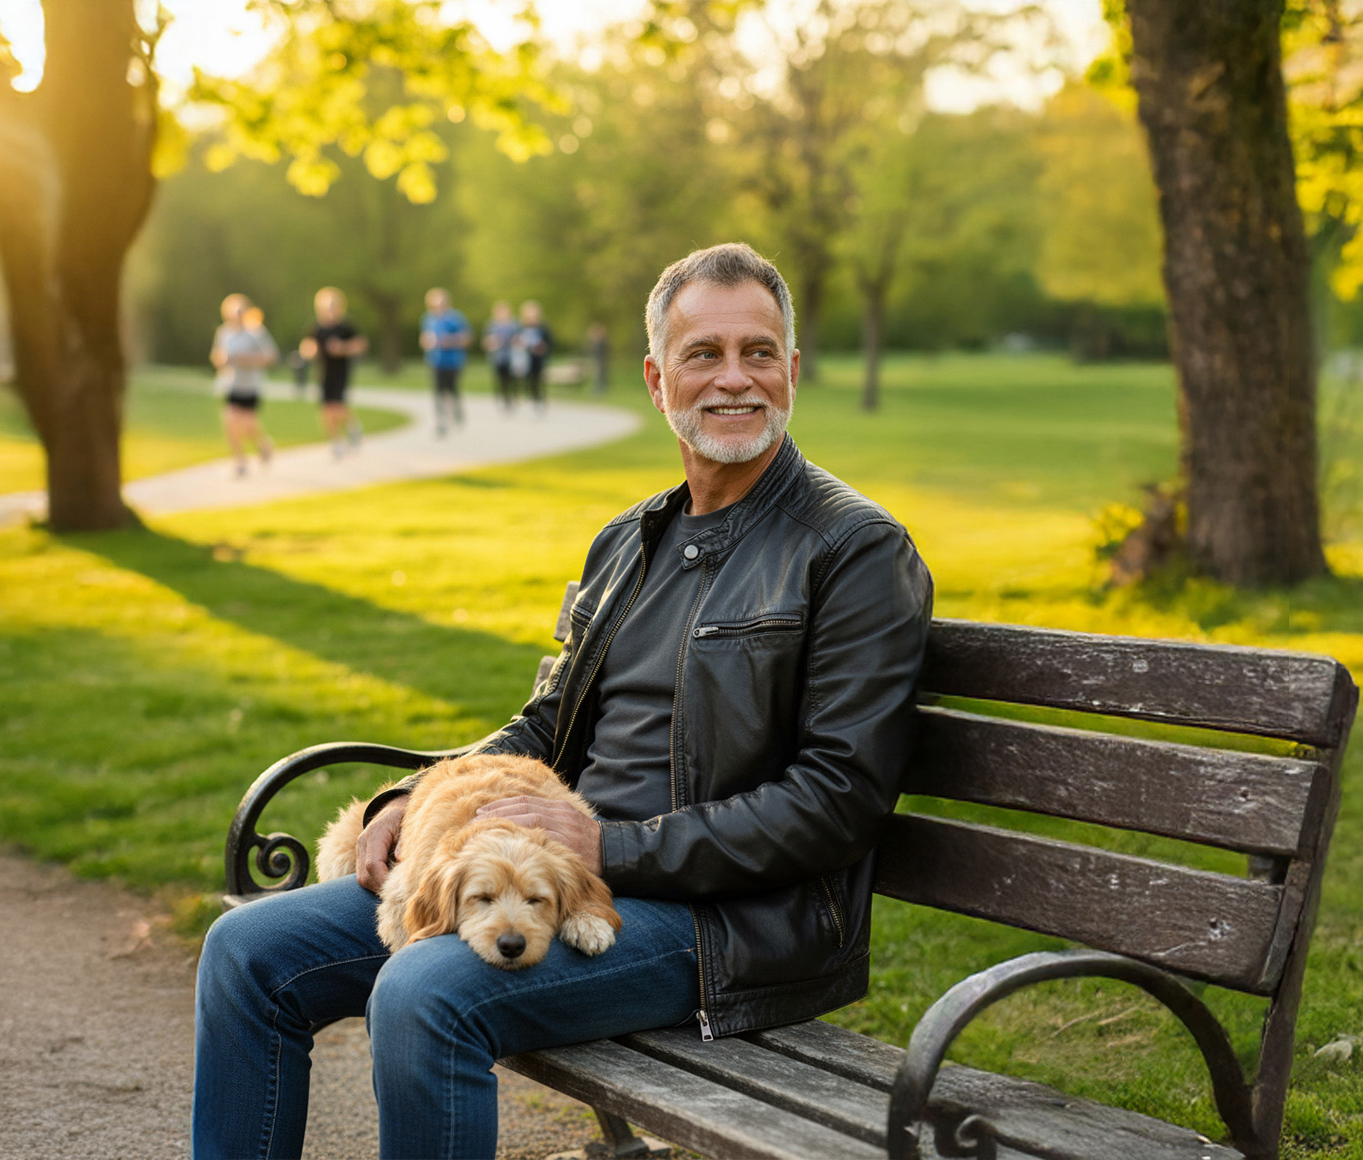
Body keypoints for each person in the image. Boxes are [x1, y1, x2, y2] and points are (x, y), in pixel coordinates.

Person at [192, 242, 935, 1160]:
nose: (735, 379)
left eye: (760, 352)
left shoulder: (853, 549)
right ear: (660, 381)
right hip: (542, 875)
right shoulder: (628, 541)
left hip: (726, 925)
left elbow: (839, 800)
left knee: (424, 992)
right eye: (704, 354)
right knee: (247, 955)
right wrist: (413, 798)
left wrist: (612, 846)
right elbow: (545, 727)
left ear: (791, 369)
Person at [210, 294, 279, 478]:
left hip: (251, 385)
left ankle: (263, 444)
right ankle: (240, 460)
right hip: (232, 384)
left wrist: (245, 359)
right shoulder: (224, 332)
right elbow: (217, 355)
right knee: (231, 420)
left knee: (248, 424)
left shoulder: (256, 332)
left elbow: (271, 356)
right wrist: (222, 360)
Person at [299, 287, 368, 458]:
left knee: (337, 405)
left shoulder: (345, 326)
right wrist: (310, 350)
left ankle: (352, 425)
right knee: (325, 409)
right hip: (323, 372)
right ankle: (336, 441)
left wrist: (342, 348)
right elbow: (306, 346)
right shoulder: (316, 327)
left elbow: (361, 344)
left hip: (341, 371)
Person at [419, 288, 471, 436]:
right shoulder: (428, 318)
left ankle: (456, 412)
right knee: (438, 391)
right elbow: (424, 338)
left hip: (453, 360)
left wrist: (451, 340)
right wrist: (426, 342)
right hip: (435, 360)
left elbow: (467, 337)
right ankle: (441, 421)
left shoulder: (455, 317)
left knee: (453, 389)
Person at [512, 299, 554, 414]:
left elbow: (549, 342)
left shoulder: (543, 327)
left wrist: (542, 348)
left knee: (540, 379)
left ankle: (541, 401)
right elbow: (516, 341)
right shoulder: (521, 327)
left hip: (540, 358)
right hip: (525, 358)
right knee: (529, 379)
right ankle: (532, 400)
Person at [482, 300, 522, 413]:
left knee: (512, 378)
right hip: (497, 357)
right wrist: (491, 342)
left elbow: (520, 339)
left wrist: (516, 341)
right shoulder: (491, 325)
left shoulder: (514, 324)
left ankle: (513, 398)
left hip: (512, 356)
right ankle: (504, 399)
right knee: (500, 379)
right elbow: (485, 341)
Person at [586, 320, 610, 396]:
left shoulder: (602, 341)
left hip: (601, 360)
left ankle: (600, 390)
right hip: (597, 360)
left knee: (600, 376)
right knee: (597, 376)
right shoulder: (597, 342)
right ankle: (597, 390)